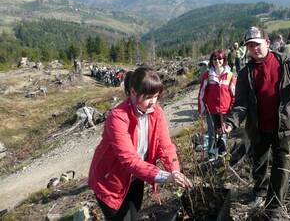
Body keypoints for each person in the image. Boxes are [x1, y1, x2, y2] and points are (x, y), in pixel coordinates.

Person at [221, 26, 290, 220]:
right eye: (250, 46)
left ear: (267, 43)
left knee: (281, 166)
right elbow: (241, 105)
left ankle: (275, 207)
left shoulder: (285, 61)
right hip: (258, 127)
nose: (254, 49)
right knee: (259, 163)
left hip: (284, 125)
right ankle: (259, 192)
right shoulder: (245, 74)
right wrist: (230, 123)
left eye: (257, 44)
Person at [88, 67, 192, 221]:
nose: (153, 102)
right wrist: (165, 176)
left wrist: (175, 171)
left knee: (134, 215)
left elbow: (166, 147)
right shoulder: (117, 117)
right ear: (133, 93)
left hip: (136, 177)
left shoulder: (157, 113)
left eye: (156, 97)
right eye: (149, 97)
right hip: (110, 181)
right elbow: (129, 160)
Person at [198, 49, 236, 161]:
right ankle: (212, 155)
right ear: (212, 60)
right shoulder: (207, 75)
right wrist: (201, 109)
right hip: (211, 110)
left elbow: (234, 93)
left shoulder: (230, 75)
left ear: (224, 60)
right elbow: (202, 93)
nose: (217, 61)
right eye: (215, 59)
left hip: (225, 110)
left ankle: (222, 153)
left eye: (220, 59)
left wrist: (232, 109)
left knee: (223, 132)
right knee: (212, 133)